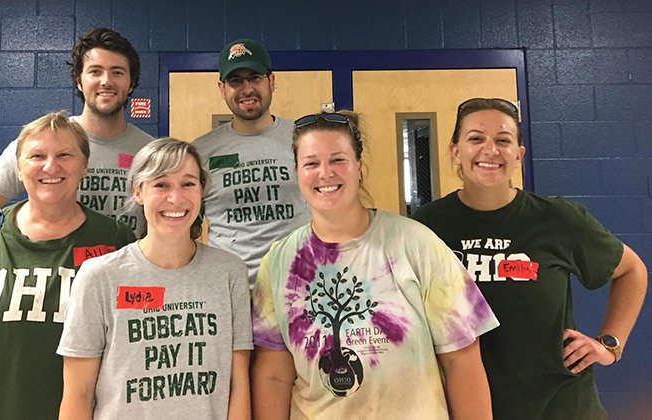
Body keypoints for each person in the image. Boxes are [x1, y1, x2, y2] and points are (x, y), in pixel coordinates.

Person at [251, 111, 499, 419]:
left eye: (338, 160)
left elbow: (462, 361)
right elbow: (274, 375)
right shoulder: (278, 263)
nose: (325, 173)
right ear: (297, 173)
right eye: (311, 163)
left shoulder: (416, 244)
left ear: (360, 168)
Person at [411, 98, 648, 420]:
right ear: (455, 150)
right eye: (476, 138)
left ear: (519, 155)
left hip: (560, 406)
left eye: (503, 140)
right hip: (464, 407)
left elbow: (632, 270)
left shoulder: (557, 219)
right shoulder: (425, 227)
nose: (490, 150)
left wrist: (609, 344)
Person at [0, 112, 136, 420]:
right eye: (37, 156)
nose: (50, 166)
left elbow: (129, 348)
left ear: (85, 165)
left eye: (65, 155)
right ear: (19, 168)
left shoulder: (115, 239)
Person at [57, 138, 252, 419]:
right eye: (161, 184)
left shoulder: (230, 272)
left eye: (188, 184)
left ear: (202, 190)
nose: (176, 198)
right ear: (138, 191)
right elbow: (78, 394)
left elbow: (238, 383)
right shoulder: (99, 276)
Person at [0, 27, 153, 238]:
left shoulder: (151, 152)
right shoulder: (42, 143)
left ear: (131, 83)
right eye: (95, 71)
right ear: (79, 81)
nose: (106, 81)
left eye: (117, 72)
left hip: (124, 271)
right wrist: (9, 256)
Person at [193, 38, 310, 285]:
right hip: (231, 290)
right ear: (222, 89)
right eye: (236, 81)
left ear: (271, 81)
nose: (247, 88)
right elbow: (187, 227)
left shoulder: (304, 138)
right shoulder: (200, 152)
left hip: (299, 287)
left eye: (254, 77)